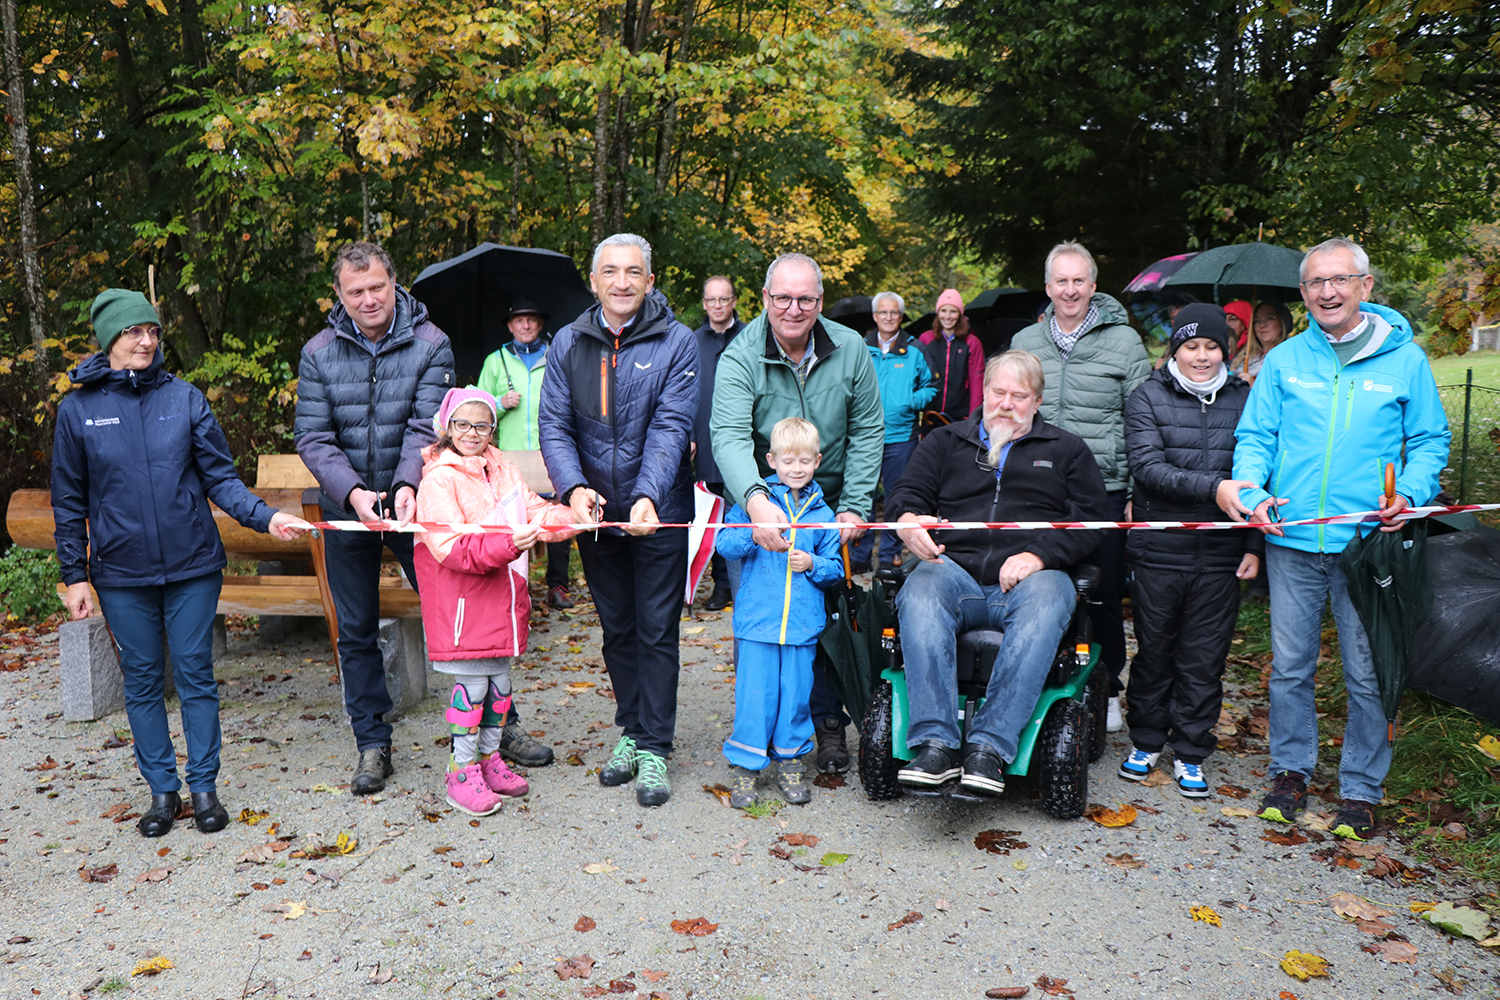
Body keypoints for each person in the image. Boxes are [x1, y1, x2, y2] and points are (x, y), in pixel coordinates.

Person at [53, 289, 309, 837]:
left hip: (193, 565)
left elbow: (219, 477)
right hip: (121, 574)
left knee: (195, 672)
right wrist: (75, 574)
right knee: (143, 680)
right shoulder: (78, 410)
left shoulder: (184, 398)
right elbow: (69, 499)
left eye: (152, 331)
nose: (146, 341)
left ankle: (205, 788)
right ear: (109, 340)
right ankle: (162, 792)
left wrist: (266, 518)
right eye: (133, 332)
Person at [1231, 237, 1450, 840]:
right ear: (1304, 294)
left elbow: (1430, 440)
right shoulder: (1285, 361)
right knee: (1292, 667)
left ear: (1366, 286)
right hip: (1292, 541)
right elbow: (1256, 438)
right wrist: (1251, 493)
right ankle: (1290, 772)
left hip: (1368, 547)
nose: (1327, 292)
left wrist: (1409, 492)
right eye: (1315, 283)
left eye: (1340, 280)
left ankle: (1359, 790)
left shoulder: (1406, 361)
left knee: (1367, 670)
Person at [888, 351, 1109, 796]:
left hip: (1032, 580)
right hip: (955, 571)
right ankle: (935, 744)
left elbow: (1092, 520)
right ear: (983, 392)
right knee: (919, 589)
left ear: (1038, 400)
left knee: (1050, 598)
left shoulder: (1066, 450)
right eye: (998, 392)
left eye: (1019, 395)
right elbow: (905, 494)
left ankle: (989, 749)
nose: (1006, 404)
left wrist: (1039, 555)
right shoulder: (945, 441)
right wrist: (909, 520)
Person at [295, 242, 468, 795]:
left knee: (457, 613)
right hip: (347, 510)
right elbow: (313, 437)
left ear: (394, 282)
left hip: (417, 504)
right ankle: (372, 742)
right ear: (340, 295)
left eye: (376, 287)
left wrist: (403, 487)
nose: (368, 300)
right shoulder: (319, 352)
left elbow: (428, 425)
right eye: (355, 292)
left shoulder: (432, 342)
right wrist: (353, 494)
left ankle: (495, 727)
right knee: (355, 629)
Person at [538, 233, 699, 807]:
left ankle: (655, 744)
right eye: (611, 271)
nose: (622, 281)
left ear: (650, 282)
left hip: (659, 511)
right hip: (596, 513)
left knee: (656, 628)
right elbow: (553, 425)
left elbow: (671, 426)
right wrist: (573, 488)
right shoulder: (567, 342)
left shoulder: (678, 342)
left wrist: (648, 495)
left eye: (634, 272)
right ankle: (631, 729)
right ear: (595, 280)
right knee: (617, 628)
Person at [710, 252, 884, 774]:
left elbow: (869, 429)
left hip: (827, 507)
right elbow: (730, 435)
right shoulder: (740, 355)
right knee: (763, 622)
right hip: (764, 501)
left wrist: (853, 505)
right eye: (782, 297)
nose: (793, 308)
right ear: (764, 298)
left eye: (805, 298)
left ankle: (826, 724)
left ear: (820, 302)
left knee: (828, 617)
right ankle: (757, 734)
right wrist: (755, 504)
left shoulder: (851, 348)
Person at [414, 388, 580, 817]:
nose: (472, 433)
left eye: (481, 424)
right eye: (462, 424)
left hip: (503, 605)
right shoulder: (438, 479)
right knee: (471, 691)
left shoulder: (502, 469)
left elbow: (535, 512)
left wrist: (573, 517)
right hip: (463, 609)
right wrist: (508, 544)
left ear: (493, 427)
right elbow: (450, 549)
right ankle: (461, 769)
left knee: (500, 690)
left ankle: (490, 759)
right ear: (447, 427)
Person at [1119, 305, 1262, 797]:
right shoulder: (1148, 397)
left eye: (1212, 346)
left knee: (1204, 660)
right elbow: (1149, 468)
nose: (1201, 356)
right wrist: (1216, 487)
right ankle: (1146, 739)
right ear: (1174, 349)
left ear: (1227, 349)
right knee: (1156, 652)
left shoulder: (1247, 399)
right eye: (1191, 346)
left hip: (1222, 556)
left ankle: (1192, 750)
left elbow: (1261, 473)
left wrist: (1252, 541)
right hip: (1160, 551)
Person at [1012, 241, 1151, 733]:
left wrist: (1137, 489)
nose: (1069, 290)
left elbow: (1143, 420)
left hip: (1106, 486)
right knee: (1036, 585)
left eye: (1079, 281)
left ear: (1093, 286)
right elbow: (1007, 412)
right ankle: (1035, 683)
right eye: (1060, 281)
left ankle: (1107, 688)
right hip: (1039, 486)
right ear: (1048, 287)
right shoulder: (1026, 339)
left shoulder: (1125, 343)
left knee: (1104, 593)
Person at [716, 418, 844, 808]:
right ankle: (746, 765)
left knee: (796, 697)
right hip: (758, 623)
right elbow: (724, 543)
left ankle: (790, 760)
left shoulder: (823, 513)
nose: (796, 468)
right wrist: (754, 532)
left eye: (805, 460)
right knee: (755, 695)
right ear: (770, 460)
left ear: (818, 460)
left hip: (802, 627)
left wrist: (814, 564)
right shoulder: (753, 503)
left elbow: (836, 568)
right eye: (788, 461)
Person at [477, 300, 578, 611]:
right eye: (519, 321)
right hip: (509, 457)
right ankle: (514, 587)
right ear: (510, 326)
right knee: (513, 521)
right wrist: (499, 401)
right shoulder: (496, 361)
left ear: (540, 324)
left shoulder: (556, 356)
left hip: (552, 452)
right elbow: (476, 407)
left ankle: (557, 585)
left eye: (532, 320)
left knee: (558, 515)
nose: (525, 326)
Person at [849, 291, 937, 573]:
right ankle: (859, 556)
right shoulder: (860, 347)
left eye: (894, 313)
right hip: (865, 436)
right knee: (862, 496)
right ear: (875, 316)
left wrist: (910, 401)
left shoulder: (915, 349)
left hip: (902, 438)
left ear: (901, 316)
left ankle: (888, 556)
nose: (888, 317)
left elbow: (932, 387)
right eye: (883, 312)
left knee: (896, 499)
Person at [690, 275, 746, 611]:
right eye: (712, 300)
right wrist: (689, 435)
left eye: (724, 299)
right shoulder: (691, 341)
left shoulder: (752, 337)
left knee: (743, 511)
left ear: (734, 301)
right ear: (704, 303)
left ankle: (743, 584)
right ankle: (721, 584)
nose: (718, 306)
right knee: (714, 518)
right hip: (705, 443)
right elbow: (682, 394)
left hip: (742, 442)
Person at [918, 288, 984, 428]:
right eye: (943, 311)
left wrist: (973, 418)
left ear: (960, 314)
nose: (948, 316)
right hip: (931, 415)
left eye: (953, 311)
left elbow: (976, 382)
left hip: (960, 416)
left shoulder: (972, 343)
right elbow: (918, 376)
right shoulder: (926, 339)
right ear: (937, 313)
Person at [1236, 300, 1294, 383]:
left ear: (1283, 322)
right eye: (1257, 320)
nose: (1262, 325)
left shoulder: (1290, 357)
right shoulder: (1246, 355)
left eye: (1270, 318)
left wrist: (1253, 387)